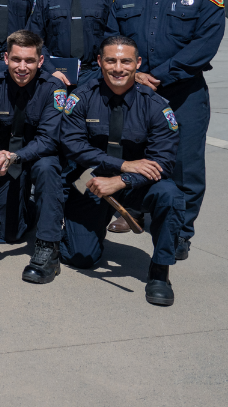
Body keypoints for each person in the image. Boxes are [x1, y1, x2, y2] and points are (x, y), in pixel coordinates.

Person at [109, 0, 223, 252]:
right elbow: (111, 38)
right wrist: (134, 76)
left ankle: (180, 232)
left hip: (184, 95)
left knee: (185, 166)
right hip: (136, 94)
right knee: (134, 156)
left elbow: (203, 47)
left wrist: (153, 75)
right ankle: (135, 210)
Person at [60, 35, 186, 306]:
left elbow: (163, 161)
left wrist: (122, 179)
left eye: (126, 61)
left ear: (137, 63)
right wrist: (121, 165)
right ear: (99, 62)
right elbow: (72, 145)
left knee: (169, 194)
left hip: (136, 186)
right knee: (80, 258)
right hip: (89, 182)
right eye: (111, 60)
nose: (118, 68)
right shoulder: (82, 97)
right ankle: (77, 226)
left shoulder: (155, 106)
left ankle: (160, 270)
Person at [0, 30, 66, 283]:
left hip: (38, 157)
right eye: (16, 59)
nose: (22, 67)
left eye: (29, 61)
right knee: (11, 234)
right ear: (6, 58)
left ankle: (48, 247)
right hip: (6, 161)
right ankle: (29, 210)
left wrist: (14, 157)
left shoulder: (54, 88)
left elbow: (49, 139)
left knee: (49, 168)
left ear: (40, 61)